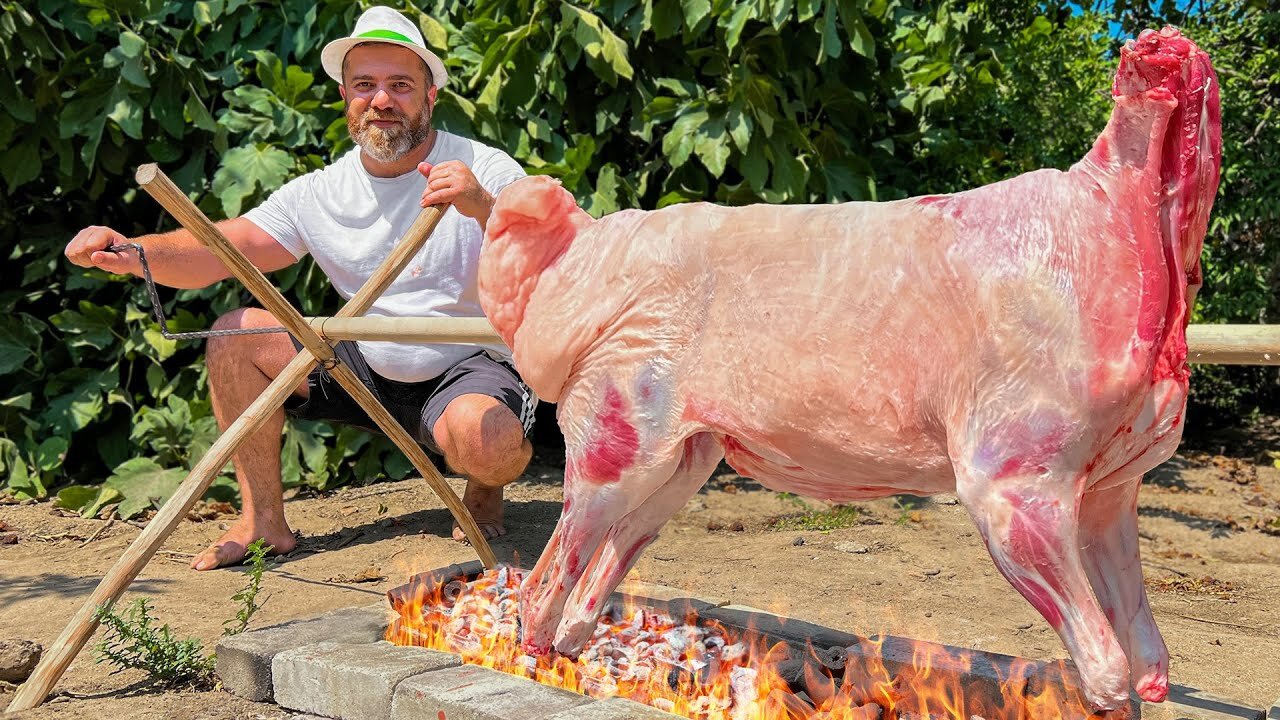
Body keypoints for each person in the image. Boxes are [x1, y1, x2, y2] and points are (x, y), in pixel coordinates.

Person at [64, 6, 536, 570]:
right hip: (361, 363)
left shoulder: (484, 167)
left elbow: (555, 249)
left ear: (430, 96)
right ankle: (264, 522)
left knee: (490, 447)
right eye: (365, 85)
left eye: (400, 85)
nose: (381, 99)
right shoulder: (319, 192)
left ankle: (483, 486)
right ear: (345, 97)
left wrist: (483, 206)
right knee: (236, 333)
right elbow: (225, 248)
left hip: (470, 362)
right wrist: (135, 254)